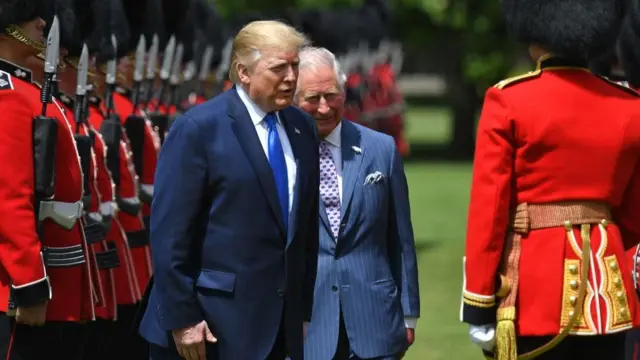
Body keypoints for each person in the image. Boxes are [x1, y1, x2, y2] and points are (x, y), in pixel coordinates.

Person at [461, 0, 640, 359]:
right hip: (611, 293)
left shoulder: (508, 100)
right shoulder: (628, 105)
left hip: (534, 290)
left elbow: (490, 210)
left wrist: (478, 302)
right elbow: (633, 215)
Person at [139, 20, 320, 360]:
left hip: (280, 327)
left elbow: (305, 231)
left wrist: (303, 310)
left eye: (295, 66)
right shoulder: (199, 128)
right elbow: (170, 234)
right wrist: (183, 318)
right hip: (208, 327)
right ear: (244, 71)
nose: (292, 78)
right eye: (279, 68)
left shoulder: (300, 127)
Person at [294, 47, 419, 360]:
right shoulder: (280, 155)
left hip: (375, 320)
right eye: (312, 98)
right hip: (308, 325)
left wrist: (408, 313)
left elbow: (400, 237)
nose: (324, 108)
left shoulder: (381, 149)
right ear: (293, 99)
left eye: (332, 95)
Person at [0, 1, 96, 358]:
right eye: (29, 15)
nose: (42, 22)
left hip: (60, 275)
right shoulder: (8, 94)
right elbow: (9, 198)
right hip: (19, 286)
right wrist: (30, 286)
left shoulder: (32, 94)